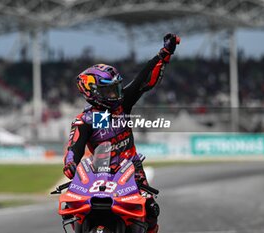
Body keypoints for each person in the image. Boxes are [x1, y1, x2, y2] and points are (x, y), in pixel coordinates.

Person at [63, 33, 180, 233]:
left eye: (116, 88)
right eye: (109, 90)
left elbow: (143, 81)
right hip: (99, 174)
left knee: (151, 211)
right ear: (92, 92)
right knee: (74, 209)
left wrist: (164, 54)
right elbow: (74, 148)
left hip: (132, 169)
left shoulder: (122, 105)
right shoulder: (84, 120)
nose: (116, 94)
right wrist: (70, 165)